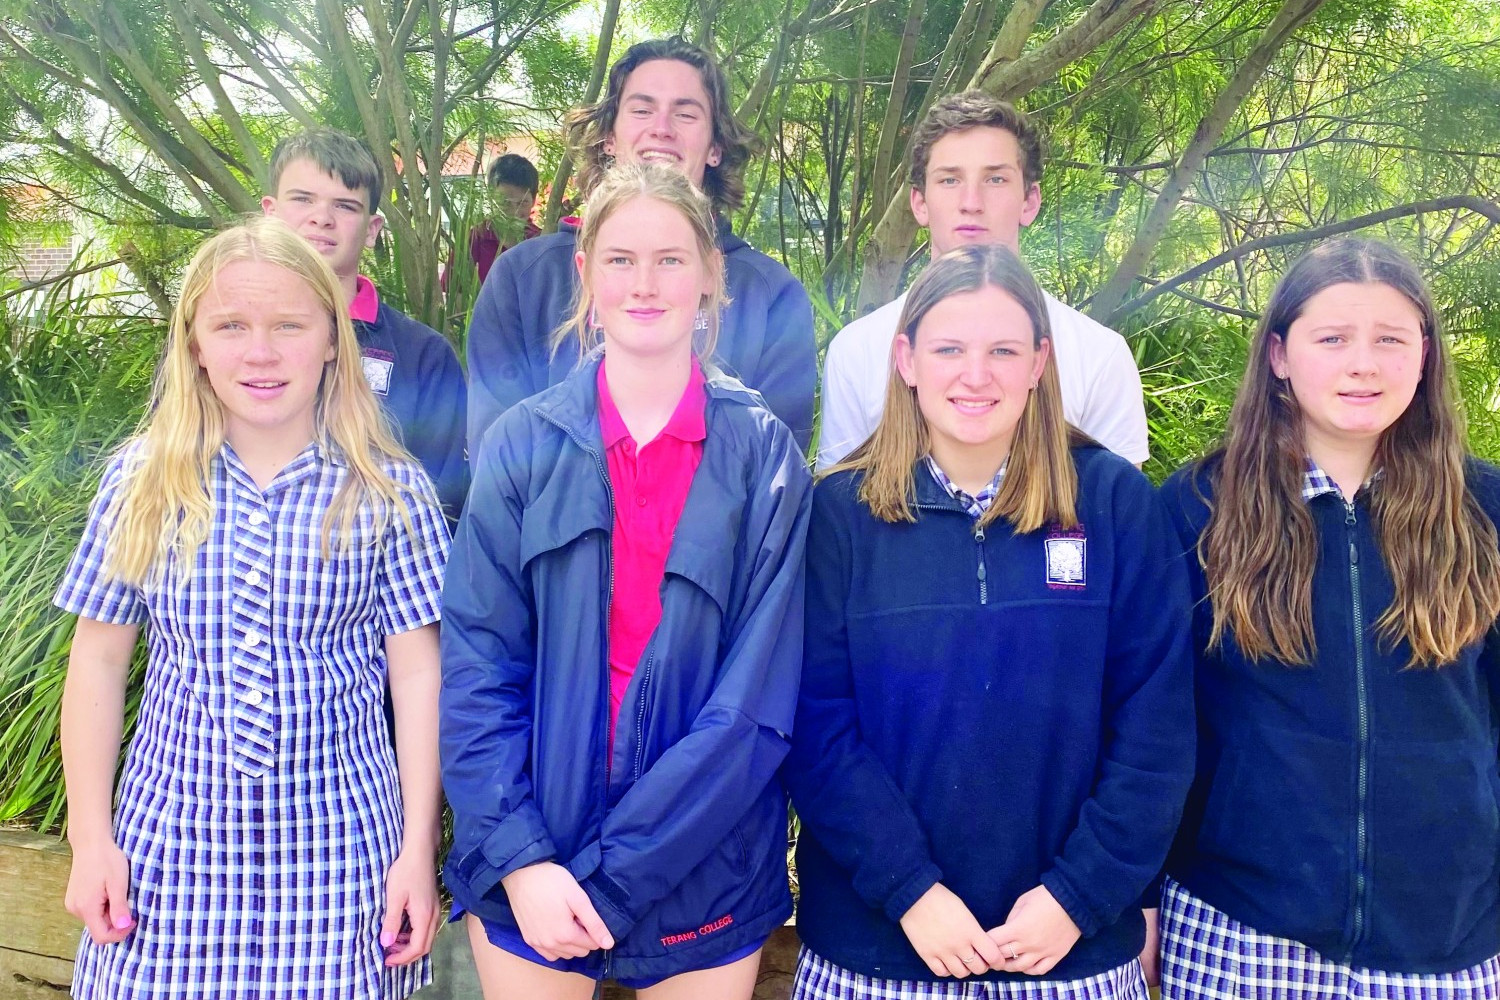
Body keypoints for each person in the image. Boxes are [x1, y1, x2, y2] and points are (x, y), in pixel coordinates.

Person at [441, 163, 811, 998]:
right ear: (585, 271)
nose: (645, 283)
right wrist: (525, 863)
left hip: (704, 868)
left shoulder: (765, 462)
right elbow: (476, 672)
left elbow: (755, 708)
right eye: (621, 259)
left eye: (671, 259)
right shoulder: (519, 447)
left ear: (712, 273)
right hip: (533, 862)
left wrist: (614, 879)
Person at [56, 216, 449, 999]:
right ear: (195, 344)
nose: (261, 352)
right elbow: (98, 662)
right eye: (231, 326)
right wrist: (91, 839)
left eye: (289, 326)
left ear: (333, 340)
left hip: (342, 854)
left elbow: (419, 679)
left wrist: (417, 848)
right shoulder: (145, 482)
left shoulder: (388, 490)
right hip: (168, 850)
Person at [786, 244, 1193, 999]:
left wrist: (1079, 897)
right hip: (878, 948)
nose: (977, 375)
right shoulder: (839, 517)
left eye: (1003, 350)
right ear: (906, 359)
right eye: (949, 349)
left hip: (1067, 953)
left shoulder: (1111, 505)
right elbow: (816, 730)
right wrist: (909, 889)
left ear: (1039, 363)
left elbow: (1157, 728)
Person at [1158, 238, 1500, 997]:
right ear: (1279, 354)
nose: (1363, 364)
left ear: (1425, 355)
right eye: (1333, 338)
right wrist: (1141, 902)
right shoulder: (1196, 509)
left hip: (1451, 940)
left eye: (1390, 339)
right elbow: (1153, 726)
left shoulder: (1486, 512)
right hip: (1238, 929)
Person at [465, 37, 817, 451]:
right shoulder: (523, 280)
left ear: (716, 149)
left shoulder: (772, 297)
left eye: (685, 113)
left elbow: (774, 480)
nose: (662, 128)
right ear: (608, 139)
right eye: (642, 109)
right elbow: (497, 464)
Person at [817, 91, 1148, 470]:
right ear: (919, 203)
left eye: (995, 178)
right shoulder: (856, 352)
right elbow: (842, 510)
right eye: (949, 180)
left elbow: (1115, 516)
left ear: (1030, 201)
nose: (971, 201)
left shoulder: (1099, 356)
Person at [263, 128, 469, 520]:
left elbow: (447, 504)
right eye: (303, 199)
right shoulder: (219, 338)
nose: (321, 218)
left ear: (372, 230)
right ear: (270, 213)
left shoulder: (424, 356)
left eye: (344, 206)